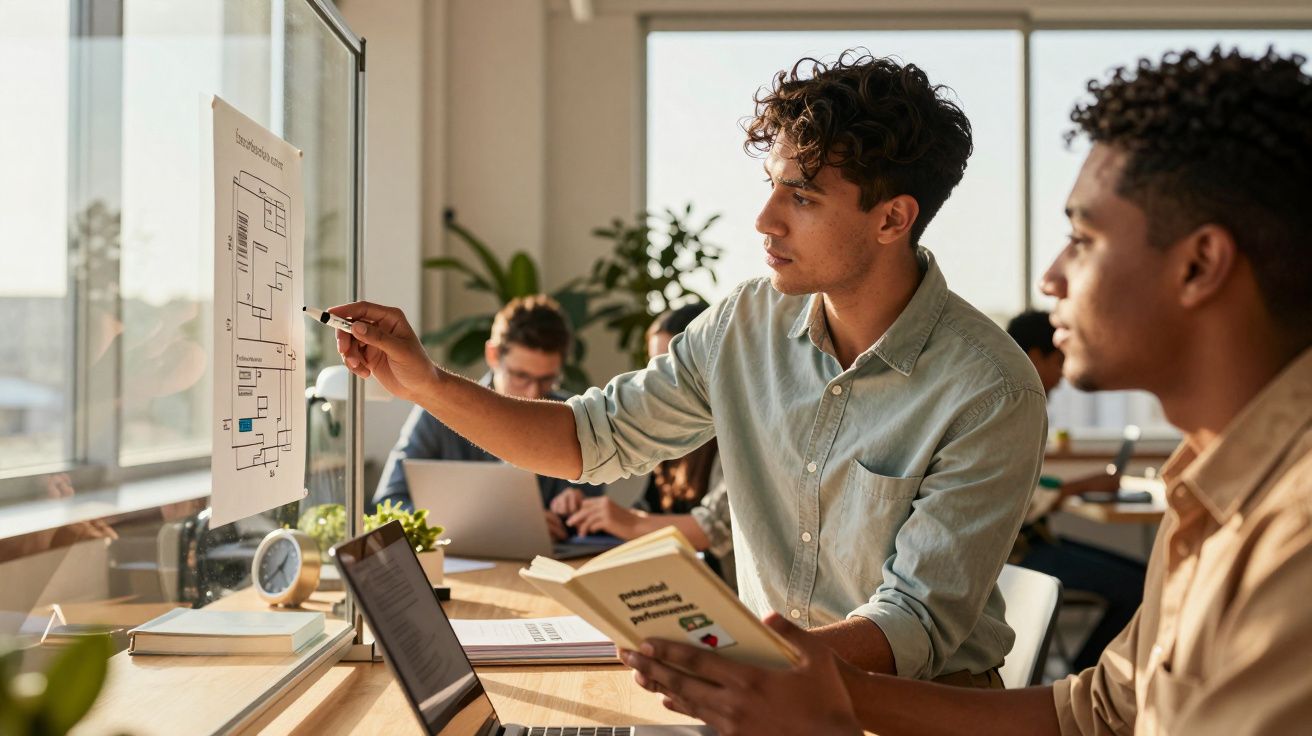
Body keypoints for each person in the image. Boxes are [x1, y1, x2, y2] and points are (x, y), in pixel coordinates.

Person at [620, 47, 1312, 735]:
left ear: (1199, 265)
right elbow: (1096, 711)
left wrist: (819, 720)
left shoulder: (1295, 541)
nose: (1050, 278)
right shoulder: (1209, 490)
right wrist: (818, 687)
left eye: (1083, 236)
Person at [333, 50, 1048, 687]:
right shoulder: (743, 324)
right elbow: (592, 437)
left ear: (892, 219)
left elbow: (913, 624)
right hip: (768, 692)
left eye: (800, 196)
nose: (765, 219)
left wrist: (745, 663)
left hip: (910, 709)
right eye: (772, 187)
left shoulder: (990, 388)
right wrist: (426, 383)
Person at [372, 295, 601, 541]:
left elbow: (589, 520)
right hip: (455, 567)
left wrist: (574, 510)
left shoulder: (572, 416)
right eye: (520, 376)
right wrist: (487, 526)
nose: (534, 393)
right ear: (492, 355)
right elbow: (388, 505)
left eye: (546, 379)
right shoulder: (437, 411)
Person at [1006, 309, 1147, 671]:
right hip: (1016, 554)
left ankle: (1087, 677)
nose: (1062, 375)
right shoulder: (1009, 401)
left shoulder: (1019, 400)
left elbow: (1030, 481)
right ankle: (1085, 677)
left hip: (1034, 542)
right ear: (1035, 356)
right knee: (1141, 588)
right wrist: (1082, 485)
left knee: (1145, 578)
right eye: (1059, 360)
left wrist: (1079, 485)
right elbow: (1018, 497)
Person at [562, 302, 737, 588]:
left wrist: (626, 521)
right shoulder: (670, 433)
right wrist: (584, 515)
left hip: (732, 600)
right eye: (652, 366)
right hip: (677, 586)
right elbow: (650, 509)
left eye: (669, 367)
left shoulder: (737, 432)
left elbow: (711, 530)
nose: (657, 382)